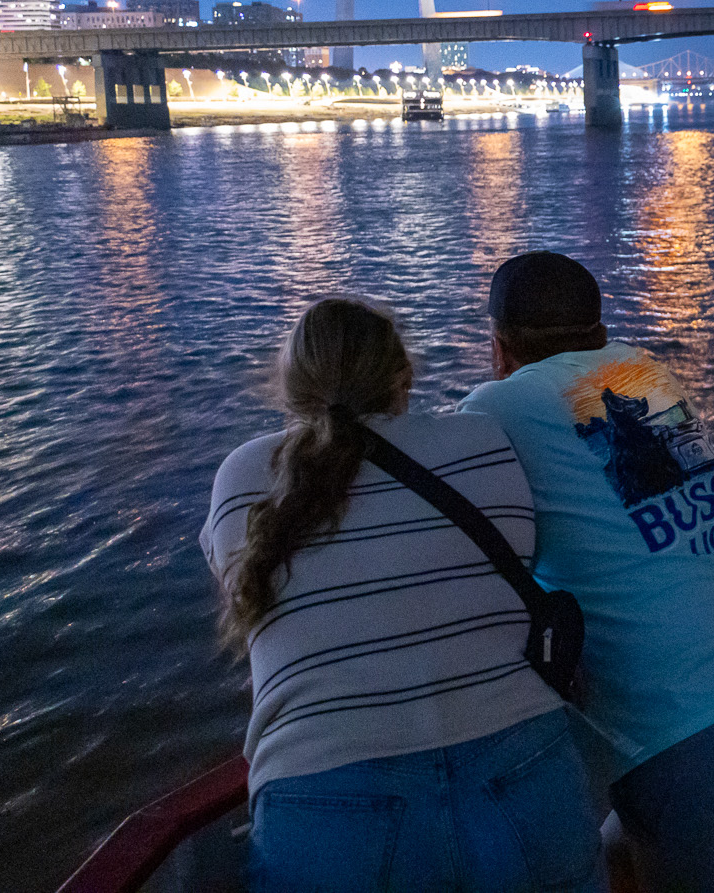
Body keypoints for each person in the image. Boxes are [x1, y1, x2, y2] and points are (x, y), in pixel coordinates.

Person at [458, 251, 714, 893]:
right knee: (614, 851)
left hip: (698, 737)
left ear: (497, 347)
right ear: (598, 332)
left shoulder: (494, 410)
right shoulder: (642, 371)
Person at [204, 297, 602, 893]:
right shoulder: (483, 441)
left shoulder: (244, 476)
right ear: (404, 377)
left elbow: (251, 601)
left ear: (290, 388)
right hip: (525, 771)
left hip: (330, 806)